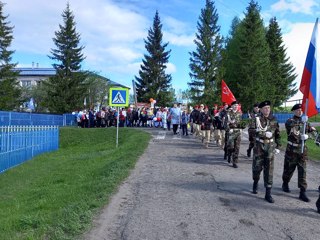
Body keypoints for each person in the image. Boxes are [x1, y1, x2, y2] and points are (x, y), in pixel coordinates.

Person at [281, 103, 317, 202]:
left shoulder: (305, 122)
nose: (300, 111)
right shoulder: (290, 121)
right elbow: (292, 127)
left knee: (302, 171)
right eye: (297, 110)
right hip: (292, 150)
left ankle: (302, 191)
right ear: (293, 111)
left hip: (302, 151)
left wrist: (310, 132)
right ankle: (285, 183)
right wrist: (303, 123)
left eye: (301, 110)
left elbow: (312, 131)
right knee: (289, 169)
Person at [251, 100, 281, 203]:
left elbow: (278, 134)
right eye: (265, 108)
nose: (267, 110)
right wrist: (263, 134)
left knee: (269, 170)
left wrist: (278, 146)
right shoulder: (257, 119)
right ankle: (255, 183)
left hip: (270, 147)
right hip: (259, 147)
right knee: (257, 168)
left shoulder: (274, 119)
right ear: (261, 109)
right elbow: (251, 131)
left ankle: (268, 193)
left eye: (268, 108)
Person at [225, 101, 243, 168]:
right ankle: (229, 153)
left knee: (237, 147)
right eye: (234, 105)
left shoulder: (239, 113)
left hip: (238, 132)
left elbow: (241, 123)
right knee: (231, 147)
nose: (236, 106)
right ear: (232, 106)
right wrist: (228, 129)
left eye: (237, 105)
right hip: (231, 132)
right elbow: (225, 123)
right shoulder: (228, 114)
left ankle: (235, 162)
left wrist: (241, 128)